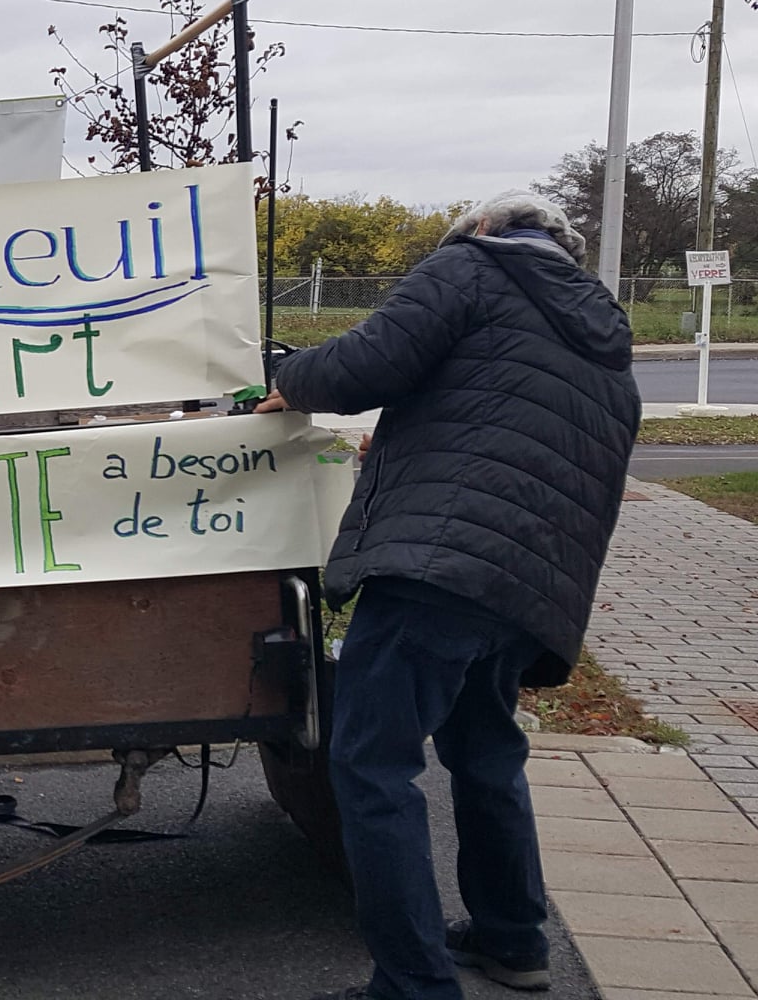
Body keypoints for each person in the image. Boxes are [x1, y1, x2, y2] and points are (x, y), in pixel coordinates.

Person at [257, 193, 641, 1000]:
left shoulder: (471, 266)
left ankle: (413, 982)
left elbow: (367, 363)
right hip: (530, 582)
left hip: (439, 564)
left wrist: (288, 378)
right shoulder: (600, 329)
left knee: (370, 765)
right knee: (485, 751)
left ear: (488, 229)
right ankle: (513, 939)